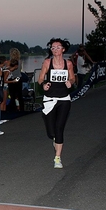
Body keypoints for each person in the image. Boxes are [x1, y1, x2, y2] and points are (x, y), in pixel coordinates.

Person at [38, 38, 75, 169]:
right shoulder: (47, 62)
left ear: (63, 49)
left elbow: (72, 77)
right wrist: (44, 84)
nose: (55, 50)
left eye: (58, 47)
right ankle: (54, 138)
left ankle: (57, 158)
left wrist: (70, 82)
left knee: (59, 128)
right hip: (49, 99)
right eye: (53, 48)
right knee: (51, 132)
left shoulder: (68, 63)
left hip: (64, 99)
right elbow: (40, 78)